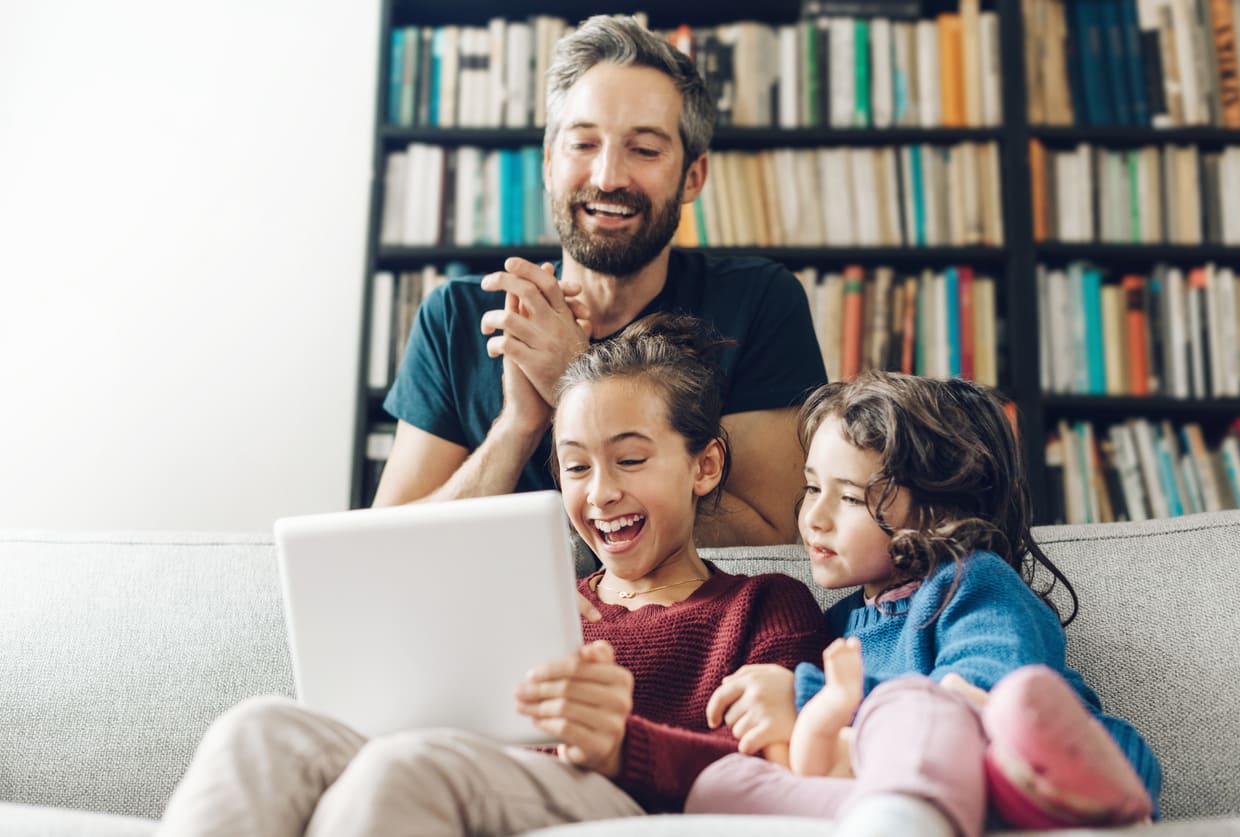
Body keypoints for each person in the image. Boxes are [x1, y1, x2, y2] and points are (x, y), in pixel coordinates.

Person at [156, 313, 826, 836]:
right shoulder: (533, 595)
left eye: (629, 460)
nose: (600, 494)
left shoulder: (765, 604)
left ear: (704, 466)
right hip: (467, 773)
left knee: (411, 766)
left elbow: (778, 774)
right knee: (262, 728)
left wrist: (624, 744)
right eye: (576, 466)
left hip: (614, 798)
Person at [372, 14, 826, 547]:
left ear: (693, 176)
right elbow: (388, 546)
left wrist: (576, 388)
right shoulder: (456, 315)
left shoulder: (758, 302)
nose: (609, 177)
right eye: (583, 144)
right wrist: (518, 426)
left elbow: (774, 537)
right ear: (548, 163)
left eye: (646, 150)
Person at [685, 372, 1161, 837]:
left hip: (1035, 770)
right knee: (720, 781)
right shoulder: (835, 624)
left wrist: (807, 699)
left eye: (850, 498)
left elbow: (979, 697)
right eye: (812, 488)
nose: (815, 518)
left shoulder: (970, 582)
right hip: (915, 785)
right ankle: (888, 814)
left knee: (927, 710)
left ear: (941, 511)